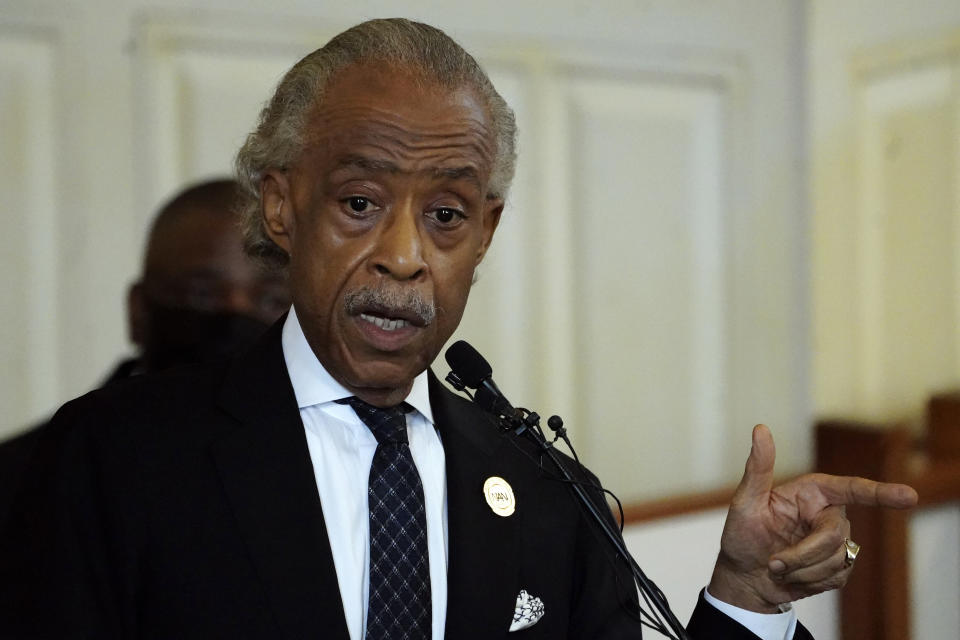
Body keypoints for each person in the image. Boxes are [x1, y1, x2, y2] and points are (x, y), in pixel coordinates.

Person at [0, 19, 916, 639]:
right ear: (281, 206)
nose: (404, 257)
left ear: (486, 232)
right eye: (360, 203)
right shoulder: (113, 462)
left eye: (445, 217)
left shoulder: (550, 498)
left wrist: (749, 600)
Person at [0, 178, 289, 528]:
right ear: (139, 311)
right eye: (202, 294)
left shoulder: (327, 472)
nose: (236, 315)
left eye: (271, 300)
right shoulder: (28, 474)